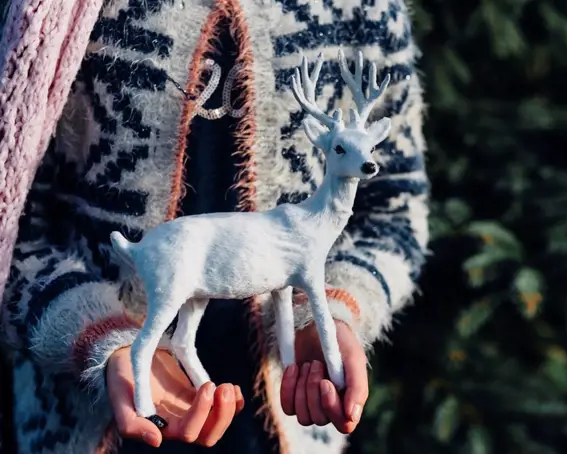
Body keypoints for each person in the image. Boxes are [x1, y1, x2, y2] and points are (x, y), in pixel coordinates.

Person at [0, 0, 429, 452]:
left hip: (287, 430)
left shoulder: (364, 10)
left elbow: (393, 214)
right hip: (85, 424)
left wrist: (337, 313)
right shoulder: (47, 11)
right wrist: (97, 335)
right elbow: (12, 228)